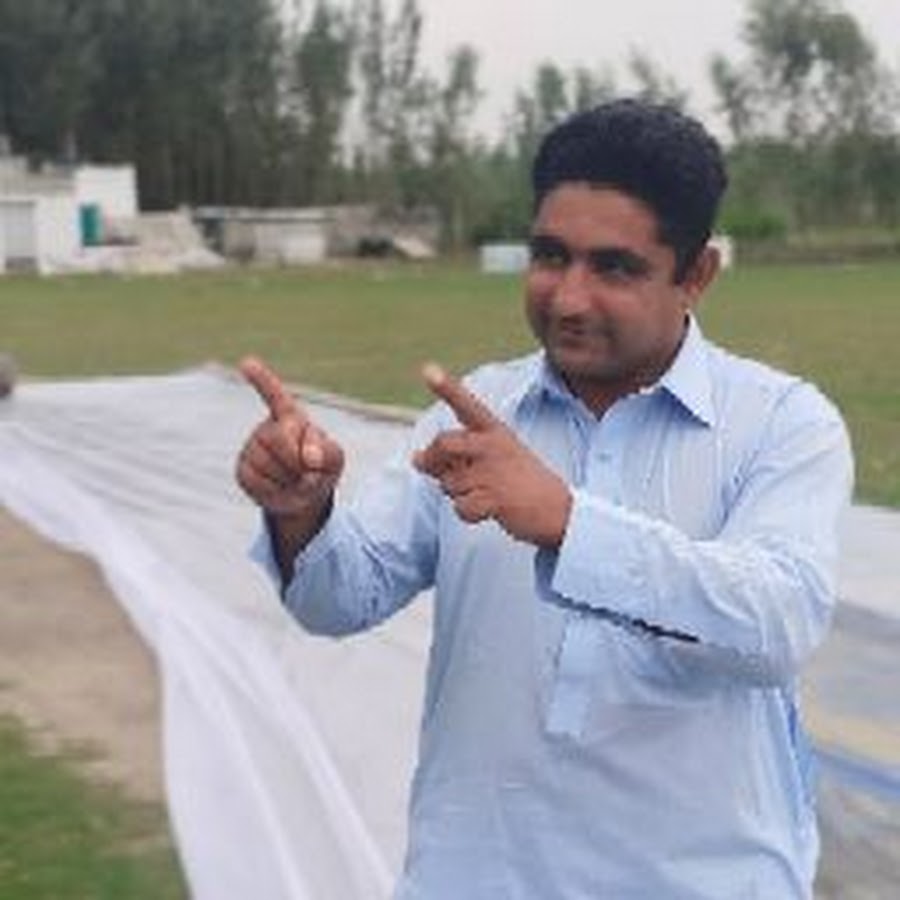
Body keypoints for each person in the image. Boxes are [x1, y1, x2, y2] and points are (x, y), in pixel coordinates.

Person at [236, 99, 853, 899]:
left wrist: (569, 522)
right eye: (550, 256)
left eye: (615, 268)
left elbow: (778, 622)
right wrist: (301, 512)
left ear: (696, 276)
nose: (567, 298)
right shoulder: (475, 415)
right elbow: (337, 599)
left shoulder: (780, 423)